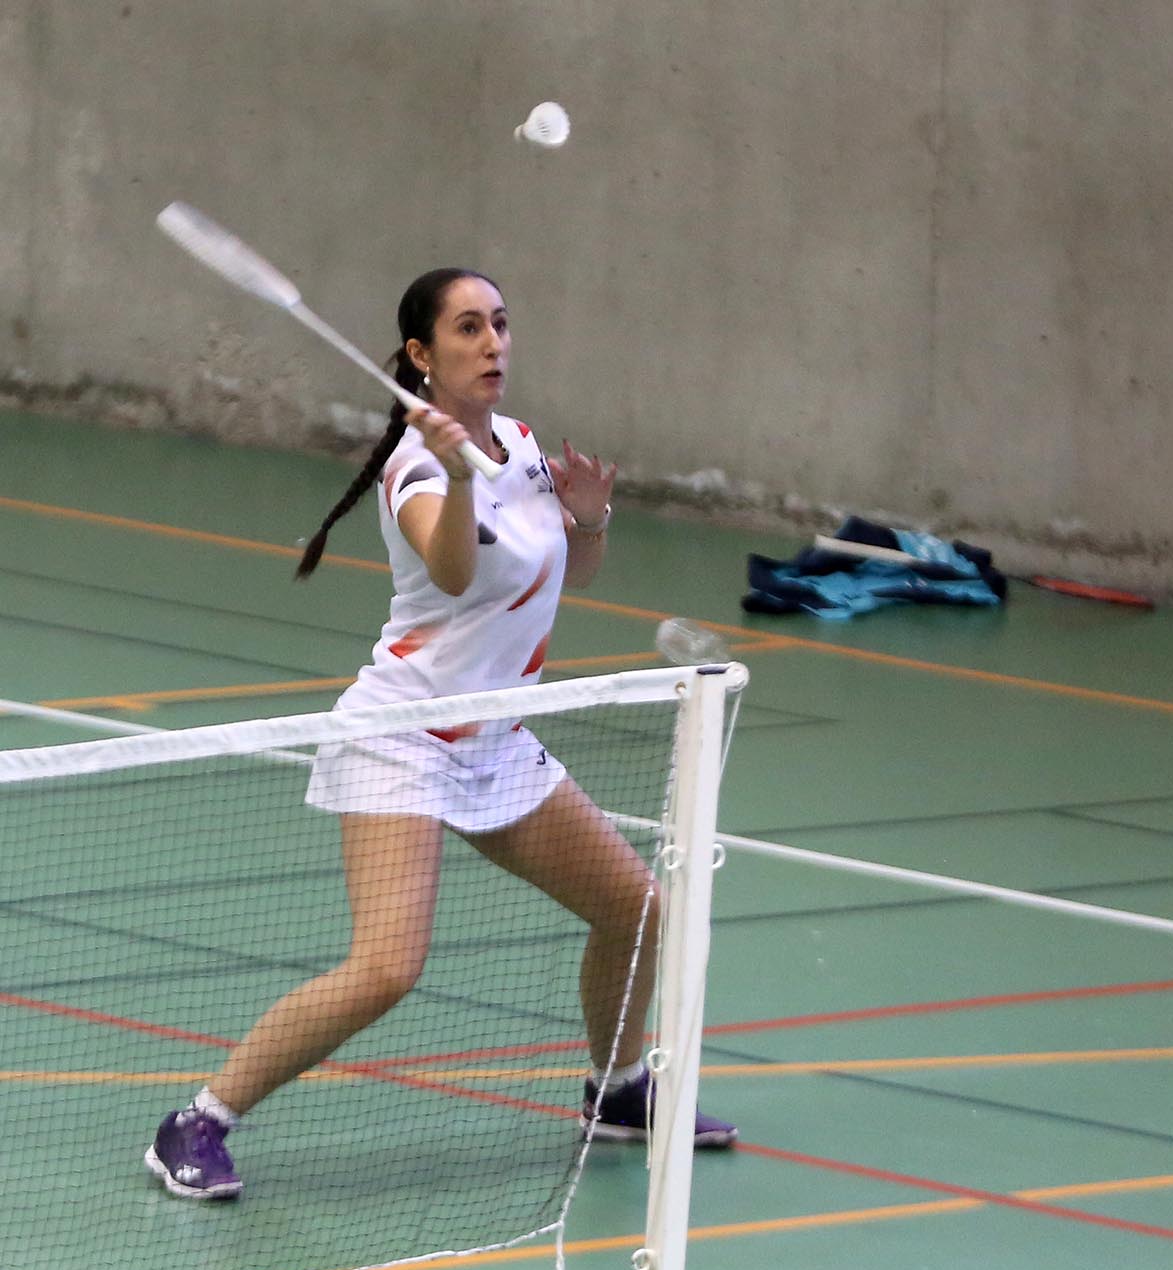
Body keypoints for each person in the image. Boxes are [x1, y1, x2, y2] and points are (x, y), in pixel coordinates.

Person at [145, 268, 735, 1200]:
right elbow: (457, 573)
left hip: (497, 739)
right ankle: (199, 1119)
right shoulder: (418, 467)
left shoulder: (525, 444)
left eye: (500, 323)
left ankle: (616, 1092)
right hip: (405, 736)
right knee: (387, 967)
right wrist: (461, 475)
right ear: (422, 355)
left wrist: (591, 517)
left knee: (638, 911)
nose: (493, 342)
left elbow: (566, 572)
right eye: (469, 328)